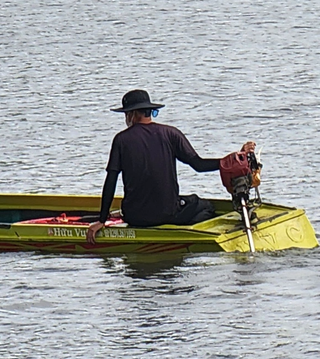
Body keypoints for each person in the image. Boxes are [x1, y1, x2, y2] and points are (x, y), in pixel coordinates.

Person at [85, 90, 254, 244]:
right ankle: (188, 234)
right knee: (205, 206)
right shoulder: (171, 134)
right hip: (169, 213)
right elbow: (199, 165)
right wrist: (234, 159)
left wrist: (102, 219)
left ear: (132, 114)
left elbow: (111, 181)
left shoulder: (121, 140)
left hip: (135, 217)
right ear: (149, 111)